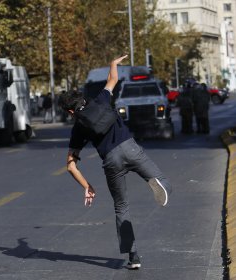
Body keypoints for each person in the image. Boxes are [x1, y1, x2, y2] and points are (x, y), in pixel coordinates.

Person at [58, 55, 172, 270]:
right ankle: (156, 183)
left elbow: (71, 165)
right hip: (130, 148)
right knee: (164, 182)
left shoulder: (78, 128)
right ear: (82, 99)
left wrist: (87, 187)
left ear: (70, 112)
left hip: (111, 161)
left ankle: (133, 257)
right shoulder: (101, 100)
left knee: (121, 207)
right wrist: (113, 63)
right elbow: (113, 79)